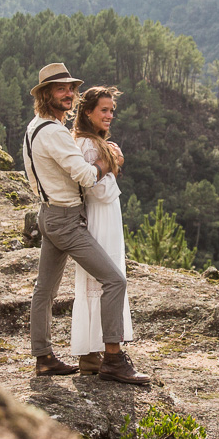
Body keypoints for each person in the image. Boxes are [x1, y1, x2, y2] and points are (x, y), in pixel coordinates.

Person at [23, 63, 149, 385]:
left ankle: (44, 358)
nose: (68, 94)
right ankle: (113, 360)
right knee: (114, 281)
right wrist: (109, 162)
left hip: (48, 213)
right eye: (60, 89)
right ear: (46, 94)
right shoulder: (54, 132)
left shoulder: (34, 127)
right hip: (66, 220)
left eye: (71, 89)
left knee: (44, 290)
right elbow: (85, 176)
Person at [69, 86, 134, 362]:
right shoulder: (87, 144)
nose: (109, 116)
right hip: (98, 217)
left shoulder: (96, 142)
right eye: (103, 110)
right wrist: (115, 163)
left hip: (107, 216)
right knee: (102, 281)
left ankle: (92, 352)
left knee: (101, 281)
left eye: (111, 111)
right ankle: (98, 352)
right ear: (87, 112)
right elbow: (98, 189)